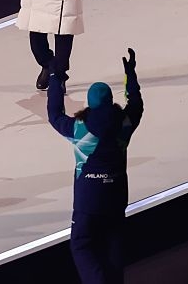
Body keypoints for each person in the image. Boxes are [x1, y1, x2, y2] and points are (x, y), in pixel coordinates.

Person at [47, 48, 143, 284]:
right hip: (116, 197)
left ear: (89, 104)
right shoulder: (125, 124)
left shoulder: (78, 129)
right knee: (114, 244)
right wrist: (130, 76)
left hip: (88, 201)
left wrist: (55, 78)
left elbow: (54, 114)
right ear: (111, 102)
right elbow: (136, 103)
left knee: (81, 245)